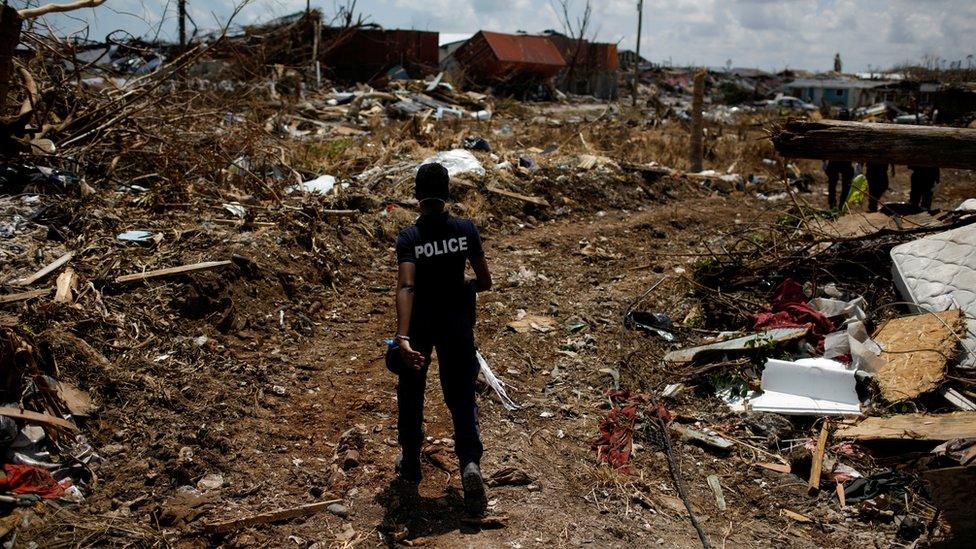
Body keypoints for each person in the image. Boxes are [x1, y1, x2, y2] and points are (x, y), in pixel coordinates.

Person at [392, 162, 493, 516]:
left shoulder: (409, 238)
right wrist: (463, 287)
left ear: (417, 196)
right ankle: (469, 465)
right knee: (461, 395)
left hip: (420, 325)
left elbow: (407, 285)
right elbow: (484, 281)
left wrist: (402, 336)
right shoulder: (465, 230)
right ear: (448, 194)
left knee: (411, 392)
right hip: (456, 325)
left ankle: (411, 463)